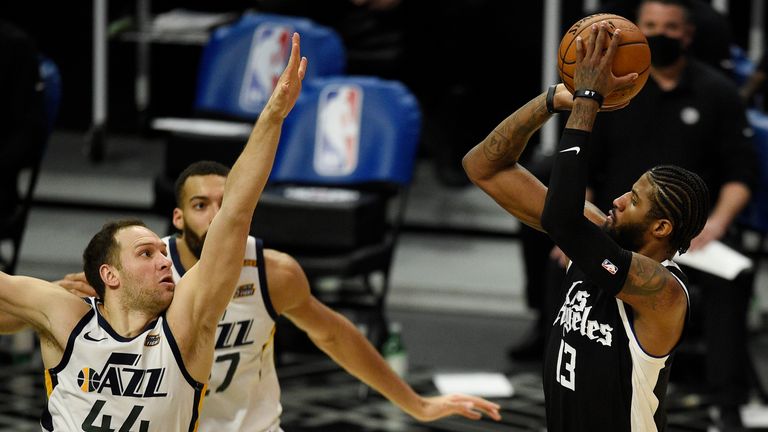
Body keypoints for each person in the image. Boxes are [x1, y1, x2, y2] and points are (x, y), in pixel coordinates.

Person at [0, 31, 307, 430]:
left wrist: (272, 117)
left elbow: (234, 214)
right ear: (109, 275)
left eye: (162, 253)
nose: (165, 260)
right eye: (147, 254)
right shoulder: (66, 317)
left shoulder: (184, 328)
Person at [56, 160, 502, 430]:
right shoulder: (144, 275)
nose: (215, 216)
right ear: (177, 217)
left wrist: (417, 404)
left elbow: (334, 335)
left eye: (225, 203)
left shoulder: (273, 272)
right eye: (200, 205)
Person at [464, 21, 710, 431]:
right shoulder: (598, 234)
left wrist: (589, 99)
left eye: (632, 201)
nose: (616, 201)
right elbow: (483, 167)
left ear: (662, 227)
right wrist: (551, 101)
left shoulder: (664, 294)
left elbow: (562, 221)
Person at [587, 1, 758, 428]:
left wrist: (715, 226)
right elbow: (583, 169)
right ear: (637, 32)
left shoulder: (717, 93)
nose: (660, 34)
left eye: (670, 27)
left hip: (694, 235)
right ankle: (577, 381)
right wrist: (577, 225)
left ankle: (727, 401)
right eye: (650, 26)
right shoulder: (619, 91)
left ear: (688, 34)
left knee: (732, 280)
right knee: (564, 261)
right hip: (619, 228)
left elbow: (741, 175)